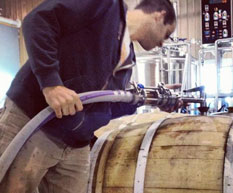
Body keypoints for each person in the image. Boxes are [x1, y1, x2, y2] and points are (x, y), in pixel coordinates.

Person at [0, 0, 176, 192]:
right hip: (33, 120)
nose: (161, 43)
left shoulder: (128, 61)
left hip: (75, 144)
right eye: (166, 34)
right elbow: (37, 21)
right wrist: (51, 84)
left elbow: (104, 104)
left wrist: (150, 99)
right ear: (159, 15)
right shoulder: (104, 6)